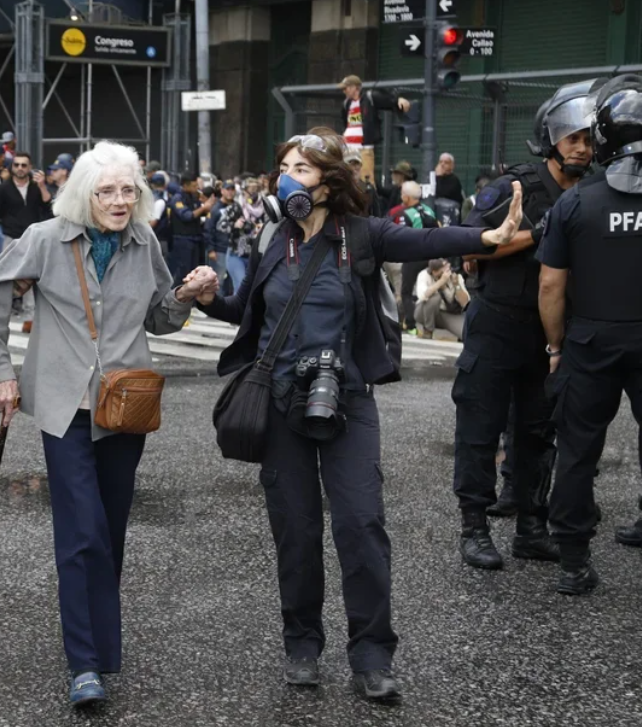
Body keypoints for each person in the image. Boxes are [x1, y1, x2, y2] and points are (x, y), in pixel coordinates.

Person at [194, 129, 523, 703]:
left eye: (303, 167)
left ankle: (372, 655)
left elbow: (427, 239)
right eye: (284, 167)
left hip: (347, 400)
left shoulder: (362, 236)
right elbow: (245, 312)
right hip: (279, 405)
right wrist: (207, 299)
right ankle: (302, 644)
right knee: (295, 532)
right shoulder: (273, 236)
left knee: (361, 526)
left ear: (328, 180)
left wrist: (488, 237)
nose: (289, 177)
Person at [0, 140, 217, 707]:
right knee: (82, 532)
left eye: (129, 189)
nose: (120, 199)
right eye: (107, 190)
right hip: (64, 406)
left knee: (110, 531)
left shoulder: (144, 240)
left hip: (124, 406)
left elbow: (160, 317)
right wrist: (1, 372)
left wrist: (188, 296)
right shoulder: (45, 240)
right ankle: (84, 664)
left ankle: (102, 648)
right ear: (84, 194)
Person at [537, 75, 642, 607]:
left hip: (590, 340)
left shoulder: (576, 203)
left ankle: (575, 567)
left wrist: (556, 347)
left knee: (578, 451)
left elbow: (551, 284)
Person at [452, 79, 600, 571]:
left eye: (589, 138)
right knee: (479, 426)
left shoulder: (597, 194)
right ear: (552, 139)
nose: (582, 147)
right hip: (497, 323)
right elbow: (470, 246)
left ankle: (531, 528)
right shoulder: (517, 185)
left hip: (551, 334)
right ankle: (474, 527)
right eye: (573, 137)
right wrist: (539, 233)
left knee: (539, 433)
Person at [0, 151, 51, 331]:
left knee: (33, 278)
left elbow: (48, 206)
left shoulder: (37, 187)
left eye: (24, 165)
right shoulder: (3, 189)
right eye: (17, 165)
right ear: (12, 167)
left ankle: (30, 318)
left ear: (30, 167)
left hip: (33, 239)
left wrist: (43, 185)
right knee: (6, 278)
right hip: (11, 238)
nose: (20, 168)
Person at [339, 75, 411, 185]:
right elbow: (346, 122)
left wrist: (398, 100)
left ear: (355, 87)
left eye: (346, 88)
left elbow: (387, 100)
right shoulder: (346, 104)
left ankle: (368, 200)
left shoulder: (369, 97)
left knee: (365, 178)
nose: (344, 91)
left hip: (363, 148)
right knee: (347, 178)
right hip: (348, 148)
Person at [389, 181, 439, 331]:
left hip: (413, 257)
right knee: (424, 289)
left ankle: (410, 323)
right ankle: (424, 321)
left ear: (406, 197)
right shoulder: (429, 210)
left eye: (402, 194)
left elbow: (402, 237)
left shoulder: (405, 214)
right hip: (430, 256)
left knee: (406, 291)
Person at [220, 177, 270, 292]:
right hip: (237, 254)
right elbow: (221, 225)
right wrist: (234, 225)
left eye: (256, 190)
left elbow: (274, 226)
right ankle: (237, 310)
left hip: (256, 255)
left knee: (254, 289)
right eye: (251, 190)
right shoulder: (236, 207)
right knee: (241, 287)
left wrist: (265, 228)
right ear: (244, 191)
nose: (253, 194)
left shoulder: (265, 208)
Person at [168, 174, 213, 285]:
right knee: (183, 272)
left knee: (195, 272)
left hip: (195, 238)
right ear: (185, 185)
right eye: (194, 186)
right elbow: (186, 216)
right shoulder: (178, 199)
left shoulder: (194, 197)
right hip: (183, 240)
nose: (196, 188)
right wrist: (203, 208)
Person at [414, 259, 468, 340]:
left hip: (446, 314)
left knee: (466, 333)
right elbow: (422, 296)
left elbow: (465, 302)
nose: (445, 273)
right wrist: (441, 282)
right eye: (442, 271)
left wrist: (457, 285)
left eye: (447, 269)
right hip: (423, 312)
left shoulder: (455, 276)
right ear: (433, 272)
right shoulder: (424, 275)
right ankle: (428, 330)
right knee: (435, 297)